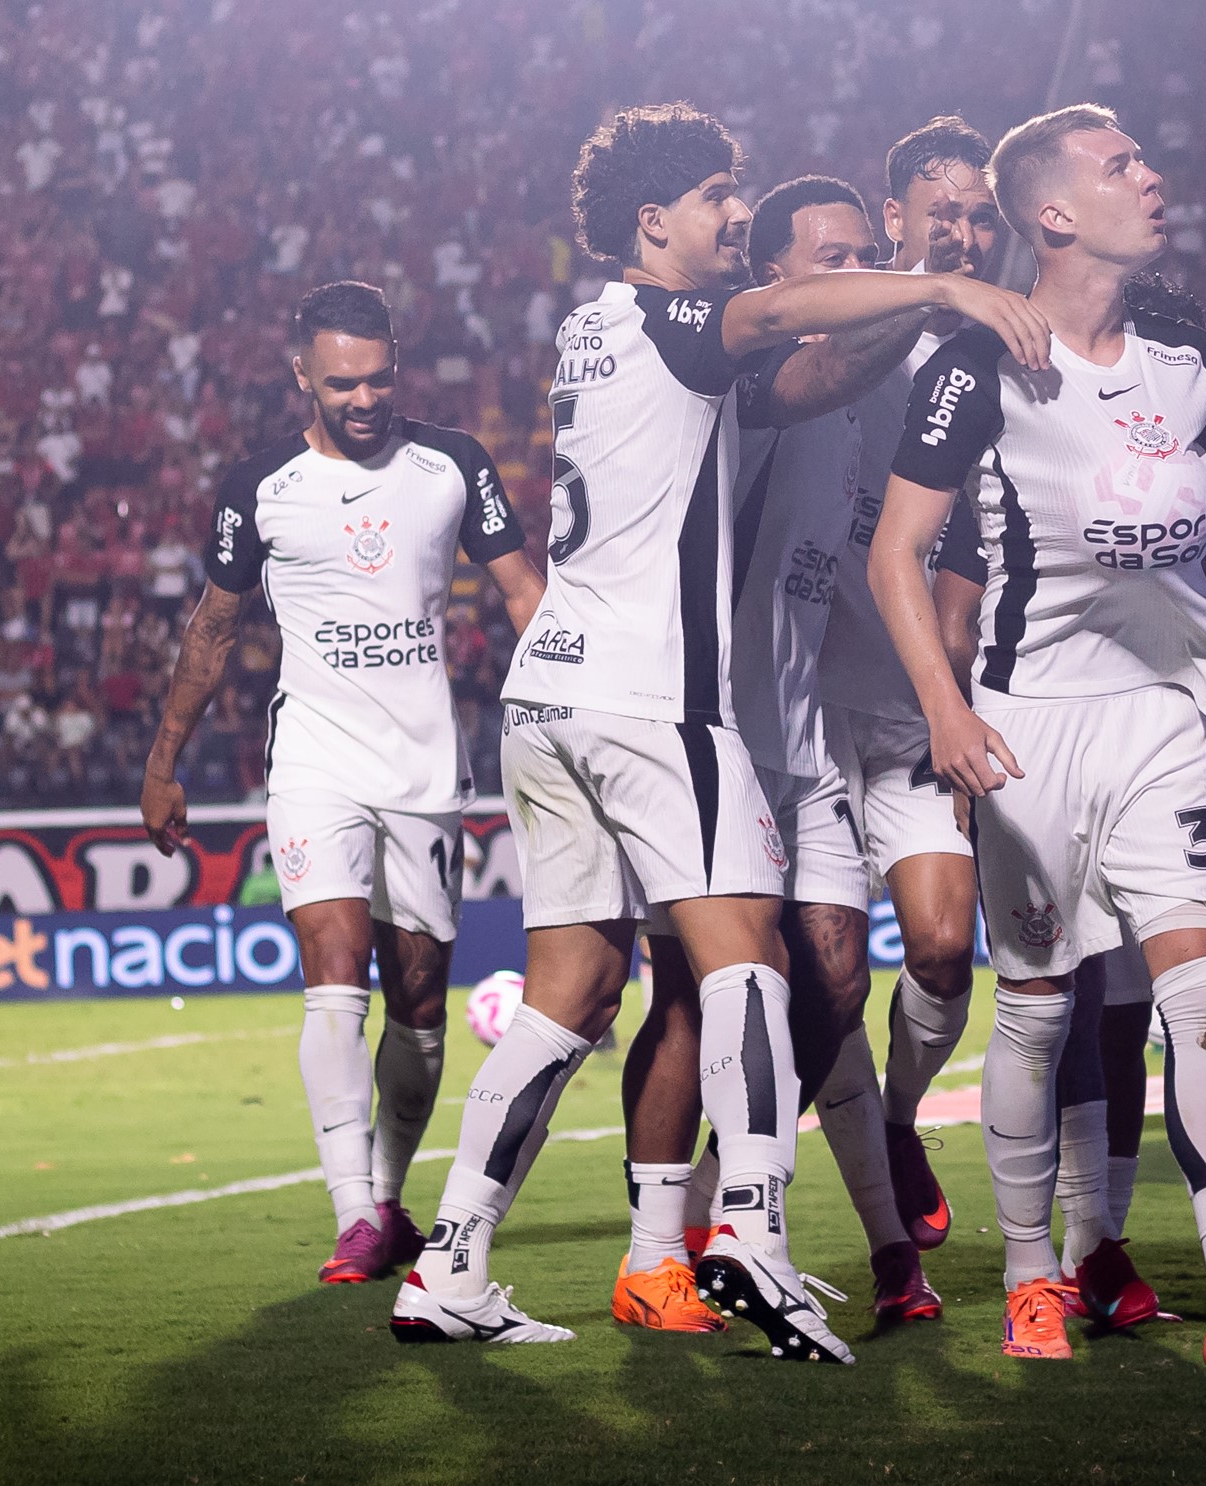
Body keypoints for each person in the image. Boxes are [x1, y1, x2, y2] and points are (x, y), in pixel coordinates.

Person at [391, 102, 1050, 1357]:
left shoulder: (598, 333)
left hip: (548, 699)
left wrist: (914, 304)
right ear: (654, 223)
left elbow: (801, 373)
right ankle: (749, 1226)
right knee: (749, 957)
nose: (733, 213)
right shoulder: (667, 316)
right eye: (716, 195)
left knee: (572, 990)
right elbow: (768, 322)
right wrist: (950, 281)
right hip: (655, 700)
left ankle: (451, 1261)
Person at [867, 103, 1206, 1374]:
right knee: (1031, 1009)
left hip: (1166, 717)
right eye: (1122, 164)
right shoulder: (978, 365)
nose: (1154, 173)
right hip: (1030, 724)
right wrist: (944, 706)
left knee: (1204, 993)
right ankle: (1032, 1274)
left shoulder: (1191, 354)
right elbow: (897, 551)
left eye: (1146, 153)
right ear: (1054, 212)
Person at [141, 280, 546, 1287]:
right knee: (333, 971)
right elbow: (215, 628)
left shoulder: (451, 461)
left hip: (421, 761)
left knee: (418, 999)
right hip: (314, 756)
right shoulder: (259, 485)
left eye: (377, 379)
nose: (363, 400)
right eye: (340, 384)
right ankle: (353, 1211)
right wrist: (162, 761)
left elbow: (522, 592)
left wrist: (586, 708)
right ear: (301, 378)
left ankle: (392, 1193)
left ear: (396, 366)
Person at [614, 173, 944, 1337]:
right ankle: (665, 1245)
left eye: (869, 254)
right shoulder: (746, 381)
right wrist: (935, 278)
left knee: (839, 981)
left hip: (805, 737)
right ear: (774, 279)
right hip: (706, 733)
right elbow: (820, 368)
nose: (858, 272)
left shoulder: (870, 400)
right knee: (691, 1001)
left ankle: (730, 1207)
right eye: (835, 259)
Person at [815, 118, 1003, 1251]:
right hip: (794, 713)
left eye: (981, 216)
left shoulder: (994, 352)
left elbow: (989, 528)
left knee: (941, 946)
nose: (966, 234)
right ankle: (717, 1205)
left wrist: (955, 667)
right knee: (818, 978)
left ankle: (894, 1117)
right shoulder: (834, 339)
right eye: (944, 215)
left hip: (908, 705)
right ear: (894, 221)